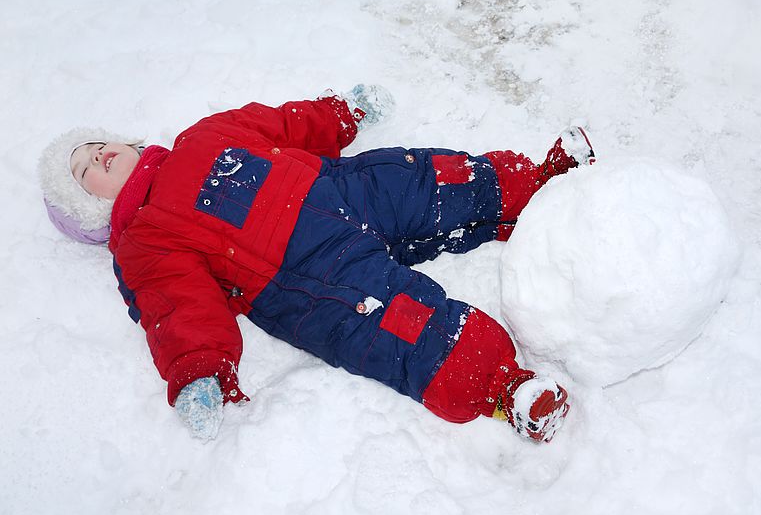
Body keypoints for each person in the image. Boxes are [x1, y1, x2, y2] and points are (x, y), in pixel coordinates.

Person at [39, 85, 594, 443]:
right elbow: (175, 305)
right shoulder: (142, 240)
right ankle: (502, 386)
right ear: (92, 208)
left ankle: (537, 183)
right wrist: (197, 371)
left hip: (337, 188)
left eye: (94, 146)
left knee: (426, 179)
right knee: (397, 324)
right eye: (86, 171)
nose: (98, 157)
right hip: (305, 279)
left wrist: (340, 114)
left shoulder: (201, 137)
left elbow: (281, 124)